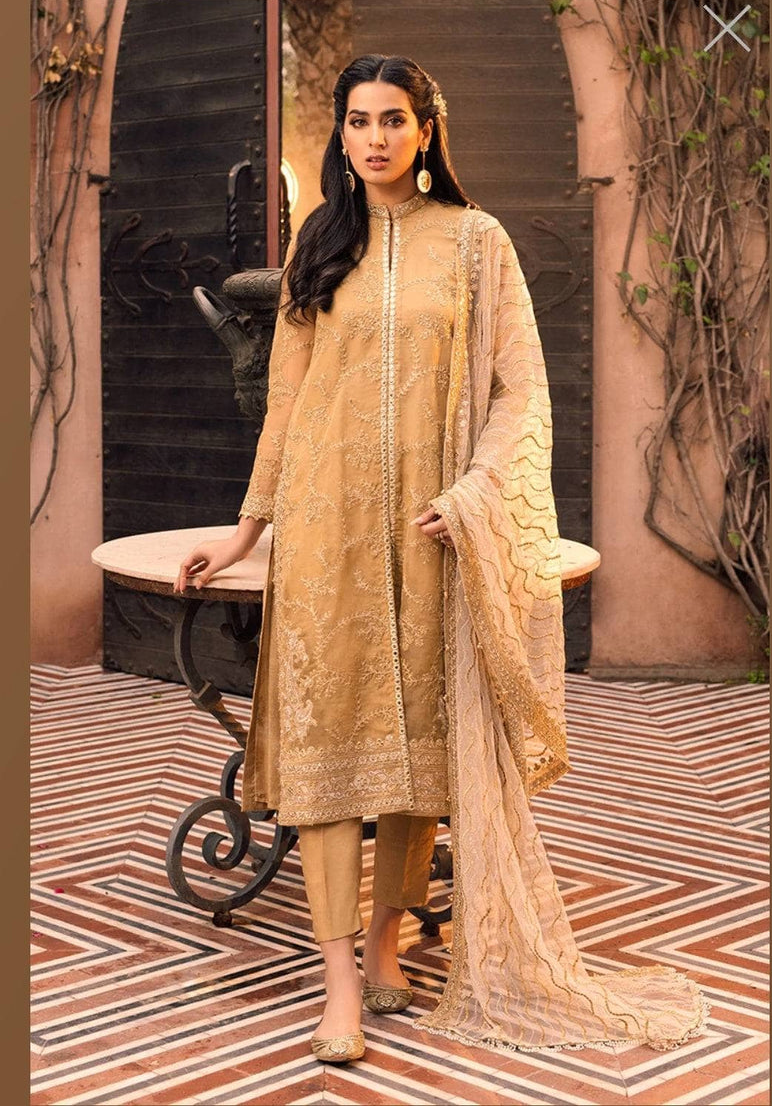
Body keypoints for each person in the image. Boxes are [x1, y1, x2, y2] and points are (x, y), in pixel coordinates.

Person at [175, 54, 710, 1065]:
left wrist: (470, 497)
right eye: (358, 121)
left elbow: (521, 389)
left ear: (426, 131)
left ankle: (386, 943)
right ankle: (339, 985)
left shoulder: (474, 242)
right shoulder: (316, 248)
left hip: (431, 535)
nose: (374, 137)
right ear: (340, 136)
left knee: (420, 758)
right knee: (328, 759)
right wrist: (245, 531)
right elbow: (286, 404)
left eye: (393, 119)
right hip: (325, 539)